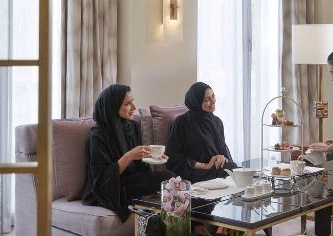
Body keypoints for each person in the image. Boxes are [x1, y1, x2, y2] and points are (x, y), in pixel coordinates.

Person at [81, 84, 172, 221]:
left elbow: (140, 166)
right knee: (168, 179)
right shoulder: (98, 136)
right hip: (112, 187)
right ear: (113, 106)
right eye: (127, 104)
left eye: (132, 102)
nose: (134, 107)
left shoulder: (132, 127)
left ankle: (189, 224)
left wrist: (150, 154)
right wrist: (128, 156)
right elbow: (100, 180)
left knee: (171, 179)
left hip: (132, 180)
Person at [166, 82, 238, 182]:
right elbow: (174, 158)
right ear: (196, 102)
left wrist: (220, 158)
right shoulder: (181, 122)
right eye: (207, 99)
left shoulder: (217, 122)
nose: (213, 101)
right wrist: (205, 165)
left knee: (234, 168)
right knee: (233, 170)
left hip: (215, 168)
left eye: (213, 96)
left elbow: (222, 152)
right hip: (193, 171)